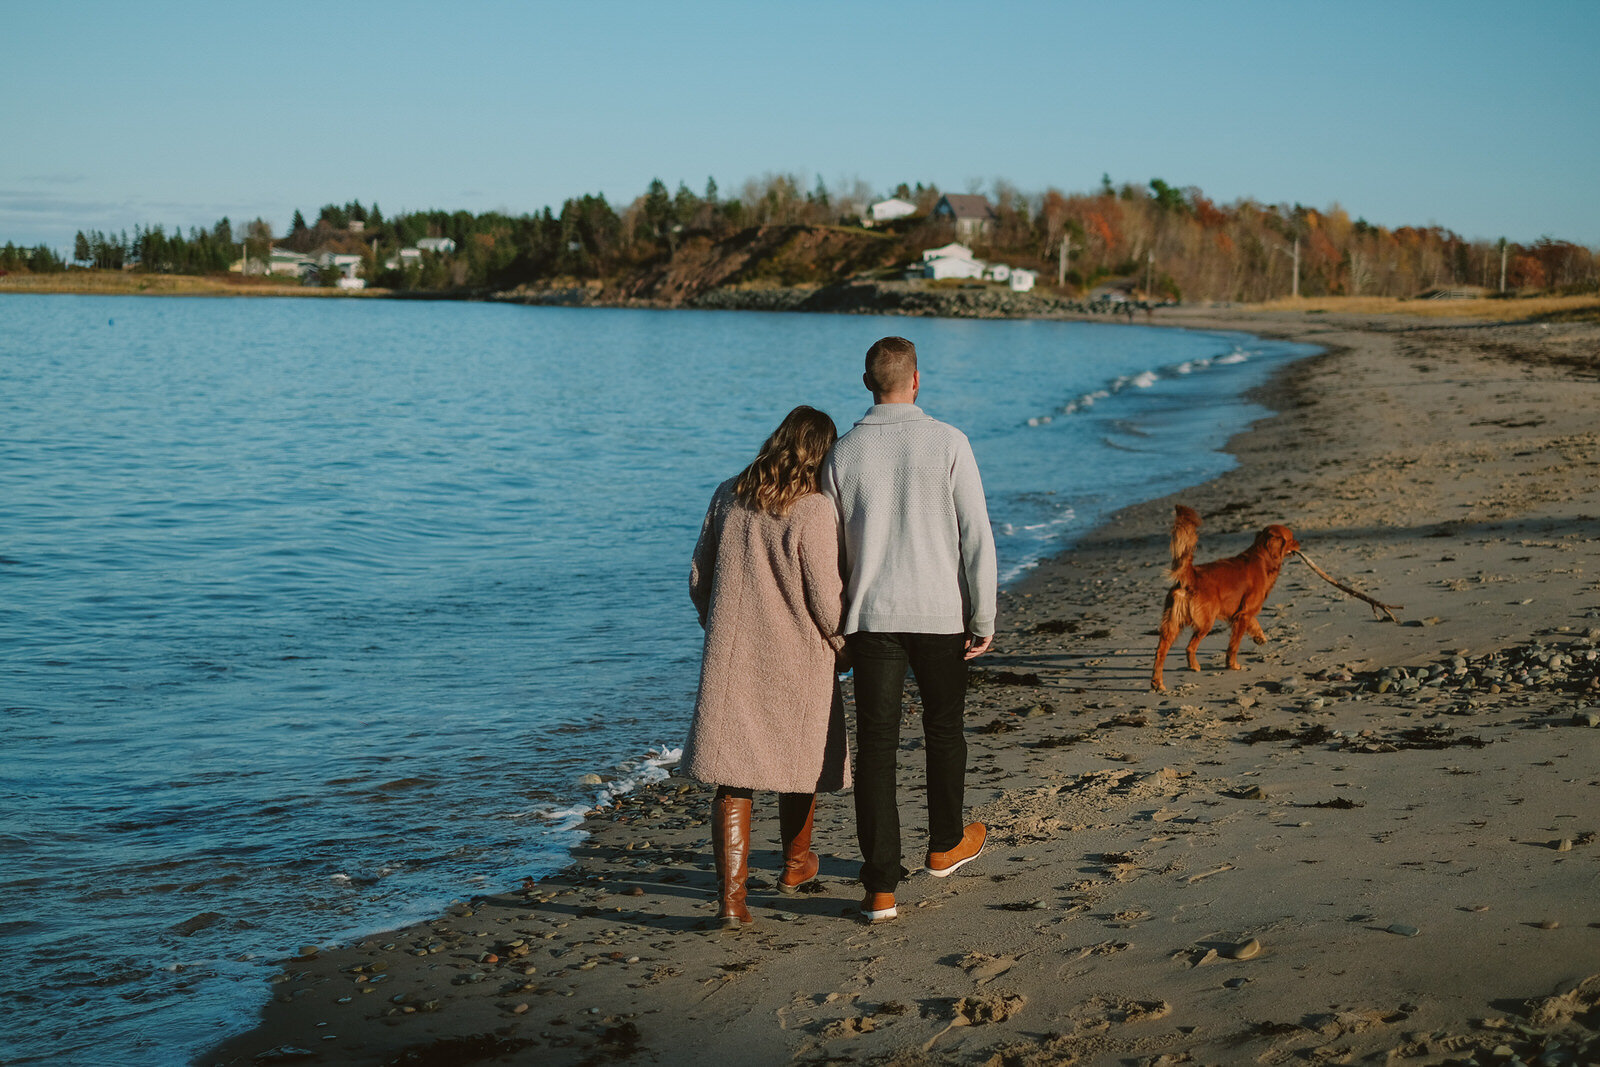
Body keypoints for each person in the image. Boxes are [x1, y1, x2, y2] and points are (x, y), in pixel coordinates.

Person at [821, 336, 997, 924]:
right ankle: (945, 845)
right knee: (944, 729)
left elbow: (828, 555)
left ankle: (880, 888)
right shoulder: (949, 441)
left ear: (866, 382)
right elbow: (977, 537)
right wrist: (983, 616)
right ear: (916, 380)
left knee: (876, 747)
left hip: (871, 618)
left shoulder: (842, 455)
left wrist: (833, 624)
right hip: (939, 615)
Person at [683, 405, 851, 930]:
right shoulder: (814, 508)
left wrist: (719, 627)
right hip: (798, 654)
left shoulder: (727, 493)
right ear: (822, 453)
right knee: (798, 758)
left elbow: (697, 578)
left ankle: (732, 904)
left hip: (732, 655)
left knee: (733, 776)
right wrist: (846, 647)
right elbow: (827, 598)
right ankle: (796, 867)